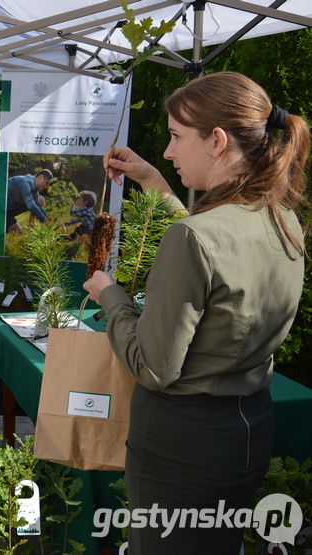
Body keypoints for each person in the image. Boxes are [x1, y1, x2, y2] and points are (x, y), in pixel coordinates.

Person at [83, 72, 309, 554]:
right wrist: (155, 182)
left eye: (176, 136)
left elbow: (152, 366)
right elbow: (215, 252)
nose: (167, 150)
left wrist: (110, 296)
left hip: (180, 449)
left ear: (218, 141)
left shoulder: (194, 239)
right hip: (243, 438)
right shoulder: (285, 219)